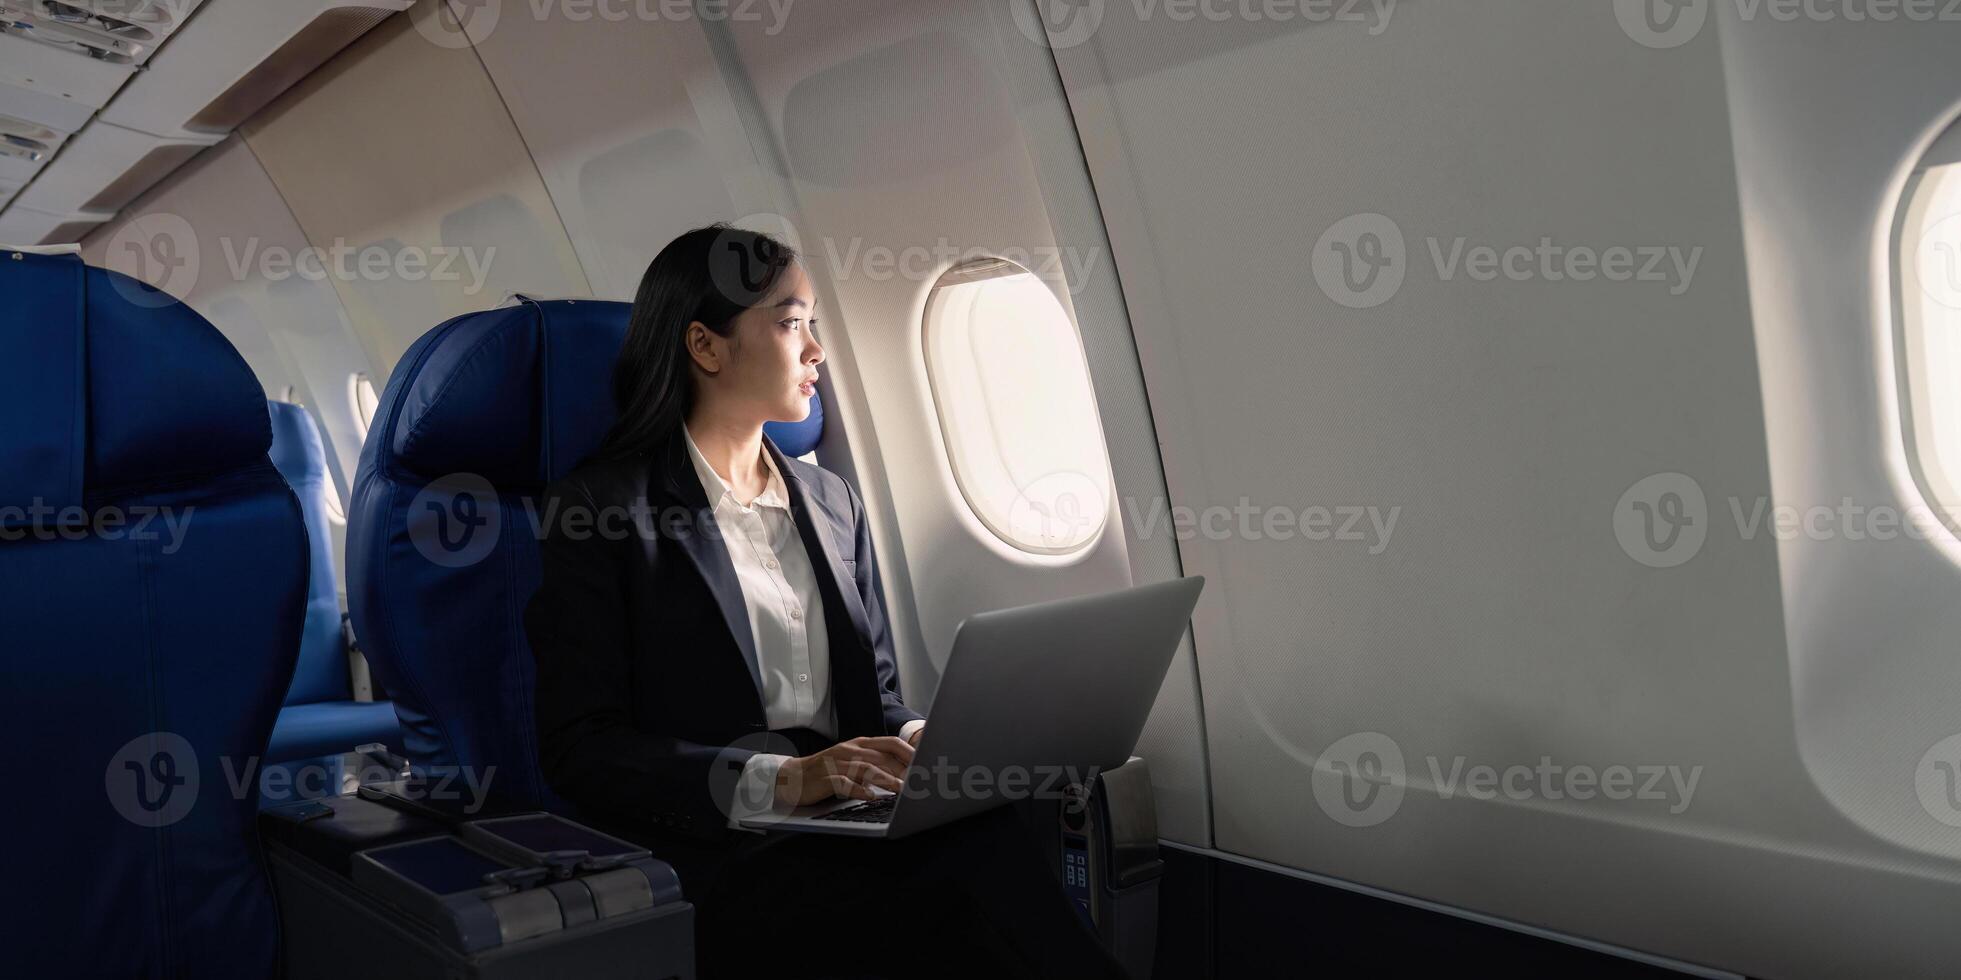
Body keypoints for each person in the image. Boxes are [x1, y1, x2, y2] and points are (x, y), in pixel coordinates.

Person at [524, 224, 1130, 979]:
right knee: (948, 898)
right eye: (790, 324)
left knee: (985, 833)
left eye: (814, 325)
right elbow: (581, 749)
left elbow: (871, 697)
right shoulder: (599, 508)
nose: (816, 351)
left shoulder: (829, 499)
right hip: (722, 844)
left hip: (847, 820)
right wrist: (787, 780)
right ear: (706, 347)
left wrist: (929, 740)